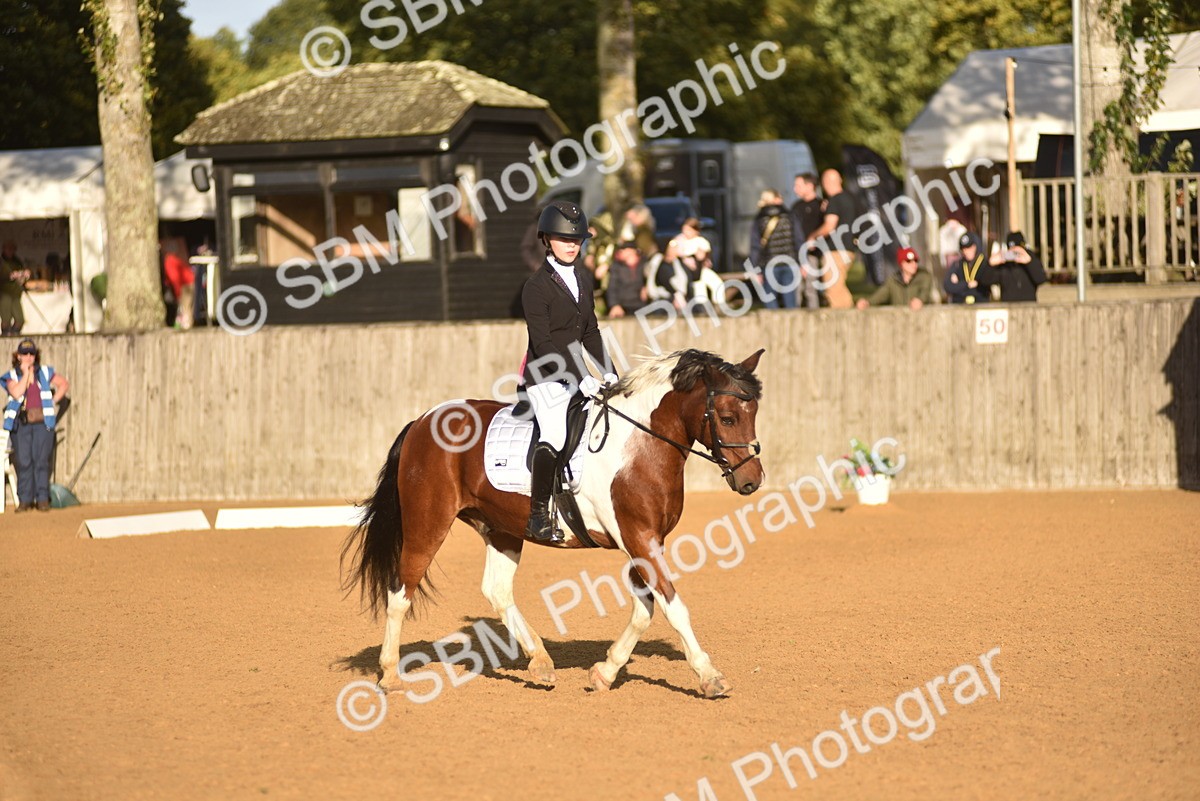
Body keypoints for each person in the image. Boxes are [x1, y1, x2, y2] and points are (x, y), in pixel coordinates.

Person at [521, 200, 618, 543]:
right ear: (547, 239)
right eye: (564, 239)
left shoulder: (583, 279)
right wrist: (580, 378)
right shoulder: (535, 287)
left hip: (579, 374)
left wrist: (609, 372)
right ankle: (538, 516)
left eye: (576, 240)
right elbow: (543, 343)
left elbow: (590, 331)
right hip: (545, 376)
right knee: (555, 435)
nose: (572, 245)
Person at [2, 338, 69, 512]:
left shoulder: (44, 372)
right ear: (18, 356)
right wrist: (26, 374)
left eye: (31, 353)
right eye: (24, 354)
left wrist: (52, 401)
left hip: (43, 423)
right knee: (24, 461)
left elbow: (63, 384)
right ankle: (25, 500)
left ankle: (42, 499)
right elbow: (17, 393)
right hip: (21, 424)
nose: (28, 357)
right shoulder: (11, 376)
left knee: (41, 461)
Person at [804, 169, 857, 309]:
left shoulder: (834, 200)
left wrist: (813, 236)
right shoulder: (849, 199)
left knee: (833, 289)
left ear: (825, 183)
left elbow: (829, 226)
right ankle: (851, 315)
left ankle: (842, 318)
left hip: (835, 250)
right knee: (839, 286)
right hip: (848, 249)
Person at [749, 189, 799, 309]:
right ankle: (792, 320)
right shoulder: (789, 215)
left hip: (769, 263)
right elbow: (798, 238)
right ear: (776, 199)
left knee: (769, 297)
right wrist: (802, 261)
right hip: (789, 261)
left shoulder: (759, 218)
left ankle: (772, 320)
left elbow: (755, 246)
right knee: (790, 298)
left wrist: (754, 268)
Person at [856, 247, 932, 310]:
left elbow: (924, 293)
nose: (914, 264)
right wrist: (867, 302)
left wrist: (920, 301)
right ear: (901, 263)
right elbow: (881, 294)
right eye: (908, 261)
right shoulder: (893, 280)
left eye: (915, 260)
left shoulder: (924, 277)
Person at [791, 173, 824, 309]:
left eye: (798, 185)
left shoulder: (821, 205)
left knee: (811, 289)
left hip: (813, 254)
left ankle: (815, 315)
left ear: (810, 186)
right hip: (797, 253)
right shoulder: (796, 207)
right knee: (796, 289)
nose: (795, 189)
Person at [988, 231, 1046, 302]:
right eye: (1012, 251)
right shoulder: (1005, 264)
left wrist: (1029, 263)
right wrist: (990, 265)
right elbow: (987, 281)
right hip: (1008, 305)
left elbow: (1041, 279)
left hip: (1029, 305)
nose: (1015, 254)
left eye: (1018, 251)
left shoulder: (1031, 258)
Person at [943, 232, 994, 305]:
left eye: (969, 248)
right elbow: (948, 286)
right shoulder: (957, 265)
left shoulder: (984, 263)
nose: (966, 252)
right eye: (964, 249)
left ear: (975, 247)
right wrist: (967, 284)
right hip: (961, 305)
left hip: (980, 305)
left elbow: (985, 285)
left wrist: (959, 285)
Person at [605, 242, 649, 318]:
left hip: (641, 306)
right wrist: (615, 305)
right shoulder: (616, 266)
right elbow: (612, 287)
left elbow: (651, 279)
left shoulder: (644, 264)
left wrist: (646, 287)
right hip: (623, 306)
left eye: (625, 249)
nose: (622, 252)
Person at [1, 240, 28, 335]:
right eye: (8, 248)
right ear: (4, 249)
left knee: (20, 320)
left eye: (12, 249)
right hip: (4, 294)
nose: (10, 251)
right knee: (6, 320)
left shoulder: (17, 261)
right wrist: (9, 276)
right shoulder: (1, 261)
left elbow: (22, 272)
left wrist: (24, 275)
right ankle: (5, 337)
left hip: (16, 294)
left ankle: (14, 334)